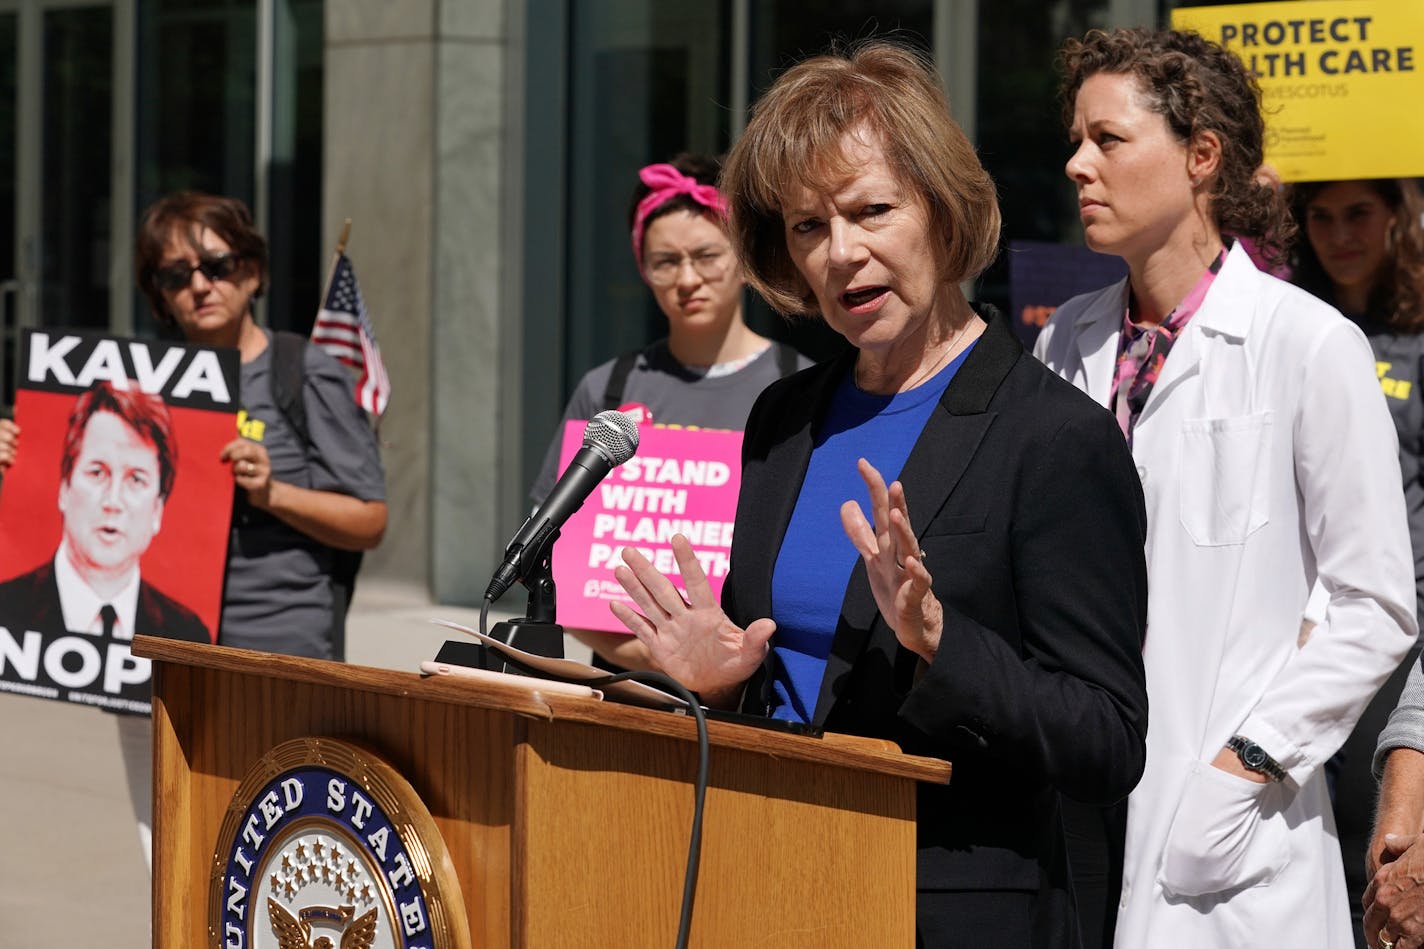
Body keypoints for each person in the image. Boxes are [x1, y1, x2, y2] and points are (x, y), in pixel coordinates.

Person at [610, 41, 1149, 945]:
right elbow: (792, 681)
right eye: (807, 228)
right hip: (770, 880)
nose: (841, 254)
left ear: (940, 209)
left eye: (871, 211)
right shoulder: (784, 418)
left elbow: (1106, 739)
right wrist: (718, 687)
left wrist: (942, 640)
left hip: (947, 911)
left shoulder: (1054, 437)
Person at [1034, 27, 1416, 947]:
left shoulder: (1309, 343)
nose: (1078, 164)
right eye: (1077, 140)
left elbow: (1375, 603)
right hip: (1087, 807)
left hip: (1235, 840)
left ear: (1201, 155)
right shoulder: (1065, 344)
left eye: (1109, 139)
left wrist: (1245, 765)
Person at [530, 154, 809, 670]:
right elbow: (558, 548)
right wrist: (659, 659)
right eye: (666, 261)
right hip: (625, 684)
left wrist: (723, 666)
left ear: (743, 260)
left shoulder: (800, 389)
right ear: (643, 269)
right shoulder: (609, 390)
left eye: (707, 255)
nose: (687, 279)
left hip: (753, 682)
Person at [1291, 177, 1424, 946]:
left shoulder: (1414, 336)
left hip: (1392, 633)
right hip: (1294, 625)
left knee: (1365, 838)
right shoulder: (1295, 325)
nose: (1340, 234)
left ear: (1394, 218)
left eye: (1359, 214)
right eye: (1321, 216)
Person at [0, 381, 208, 644]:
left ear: (157, 509)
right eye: (97, 472)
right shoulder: (6, 607)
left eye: (136, 480)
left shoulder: (185, 633)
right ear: (64, 487)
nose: (113, 501)